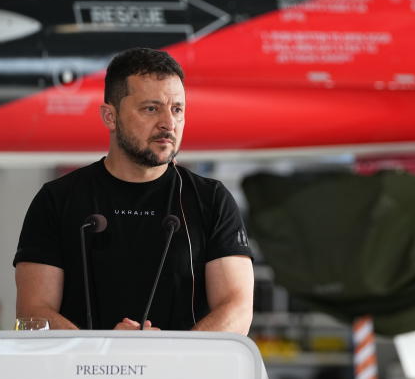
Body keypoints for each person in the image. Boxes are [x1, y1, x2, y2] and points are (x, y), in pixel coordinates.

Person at [13, 48, 254, 332]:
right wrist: (104, 354)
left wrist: (169, 355)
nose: (168, 123)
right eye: (151, 109)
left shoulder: (211, 199)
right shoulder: (56, 199)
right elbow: (33, 312)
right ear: (109, 117)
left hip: (182, 375)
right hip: (82, 374)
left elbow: (236, 308)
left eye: (177, 109)